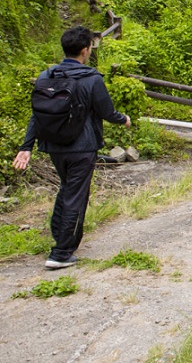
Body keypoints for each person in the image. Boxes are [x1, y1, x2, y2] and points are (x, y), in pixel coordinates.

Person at [12, 25, 131, 269]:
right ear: (86, 50)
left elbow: (37, 114)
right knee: (76, 195)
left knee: (67, 189)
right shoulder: (91, 78)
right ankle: (62, 252)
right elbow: (106, 111)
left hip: (54, 146)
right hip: (82, 146)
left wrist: (27, 146)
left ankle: (59, 236)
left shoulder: (47, 76)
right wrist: (124, 119)